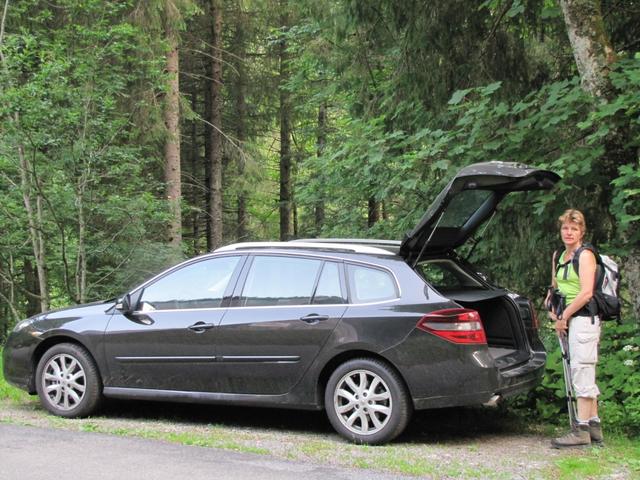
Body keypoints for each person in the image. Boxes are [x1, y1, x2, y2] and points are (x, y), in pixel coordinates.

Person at [546, 209, 603, 448]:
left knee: (582, 371)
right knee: (579, 370)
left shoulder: (586, 255)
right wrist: (551, 308)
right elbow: (554, 287)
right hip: (567, 319)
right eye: (565, 228)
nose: (568, 233)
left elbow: (587, 292)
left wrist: (564, 316)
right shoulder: (559, 255)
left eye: (574, 228)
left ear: (582, 231)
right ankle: (593, 427)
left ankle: (581, 430)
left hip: (583, 320)